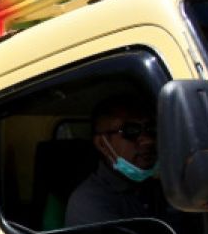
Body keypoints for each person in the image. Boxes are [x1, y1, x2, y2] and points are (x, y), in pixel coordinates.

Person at [65, 95, 167, 227]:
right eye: (131, 131)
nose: (148, 141)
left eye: (151, 129)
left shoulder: (165, 185)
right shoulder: (89, 202)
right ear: (103, 144)